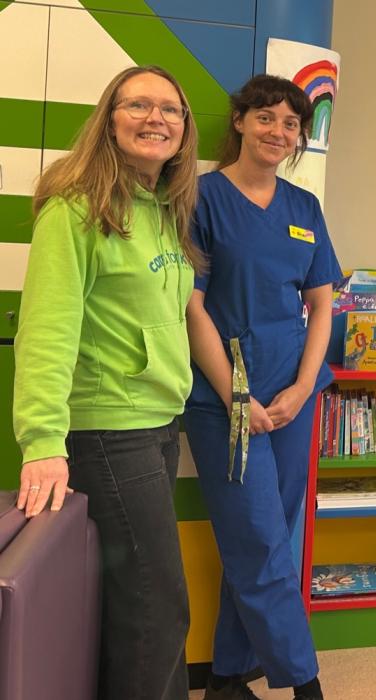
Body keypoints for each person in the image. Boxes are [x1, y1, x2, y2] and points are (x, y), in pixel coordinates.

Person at [12, 65, 199, 699]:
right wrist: (42, 440)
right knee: (157, 610)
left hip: (157, 425)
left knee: (138, 609)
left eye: (170, 109)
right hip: (109, 430)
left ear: (184, 128)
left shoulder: (164, 207)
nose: (156, 119)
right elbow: (46, 329)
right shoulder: (75, 209)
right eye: (138, 105)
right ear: (109, 119)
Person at [183, 74, 341, 700]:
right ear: (241, 121)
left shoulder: (304, 208)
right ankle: (305, 683)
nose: (279, 131)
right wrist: (235, 397)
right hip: (227, 397)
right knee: (260, 540)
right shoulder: (201, 198)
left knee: (269, 537)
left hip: (293, 396)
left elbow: (322, 305)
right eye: (267, 117)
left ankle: (225, 678)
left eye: (291, 123)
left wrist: (302, 388)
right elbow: (191, 307)